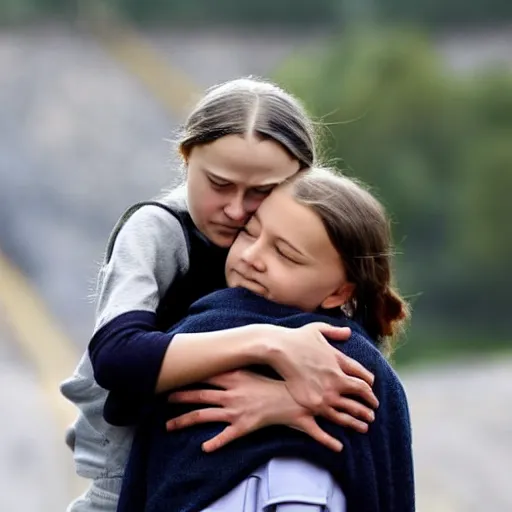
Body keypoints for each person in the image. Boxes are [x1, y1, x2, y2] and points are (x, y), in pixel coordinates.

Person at [60, 77, 378, 512]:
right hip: (130, 484)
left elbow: (350, 375)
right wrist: (271, 343)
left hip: (264, 474)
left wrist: (281, 402)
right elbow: (117, 357)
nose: (235, 209)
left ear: (303, 181)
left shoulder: (315, 243)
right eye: (220, 184)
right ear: (186, 157)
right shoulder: (158, 232)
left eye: (262, 192)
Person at [113, 169, 414, 512]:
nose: (253, 257)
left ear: (339, 291)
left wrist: (286, 402)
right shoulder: (202, 327)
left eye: (285, 254)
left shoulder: (352, 359)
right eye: (249, 233)